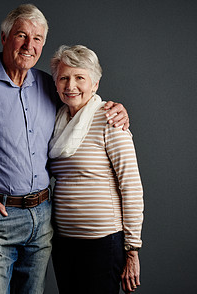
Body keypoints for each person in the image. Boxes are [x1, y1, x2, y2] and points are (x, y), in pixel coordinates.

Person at [0, 4, 129, 294]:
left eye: (38, 38)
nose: (30, 45)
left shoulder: (48, 84)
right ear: (4, 38)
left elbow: (82, 106)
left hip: (43, 220)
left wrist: (114, 108)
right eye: (21, 35)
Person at [48, 44, 144, 294]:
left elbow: (131, 185)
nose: (71, 86)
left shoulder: (110, 119)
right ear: (56, 84)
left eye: (80, 77)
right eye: (64, 78)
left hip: (103, 244)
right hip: (63, 242)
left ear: (95, 84)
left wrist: (132, 249)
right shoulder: (55, 120)